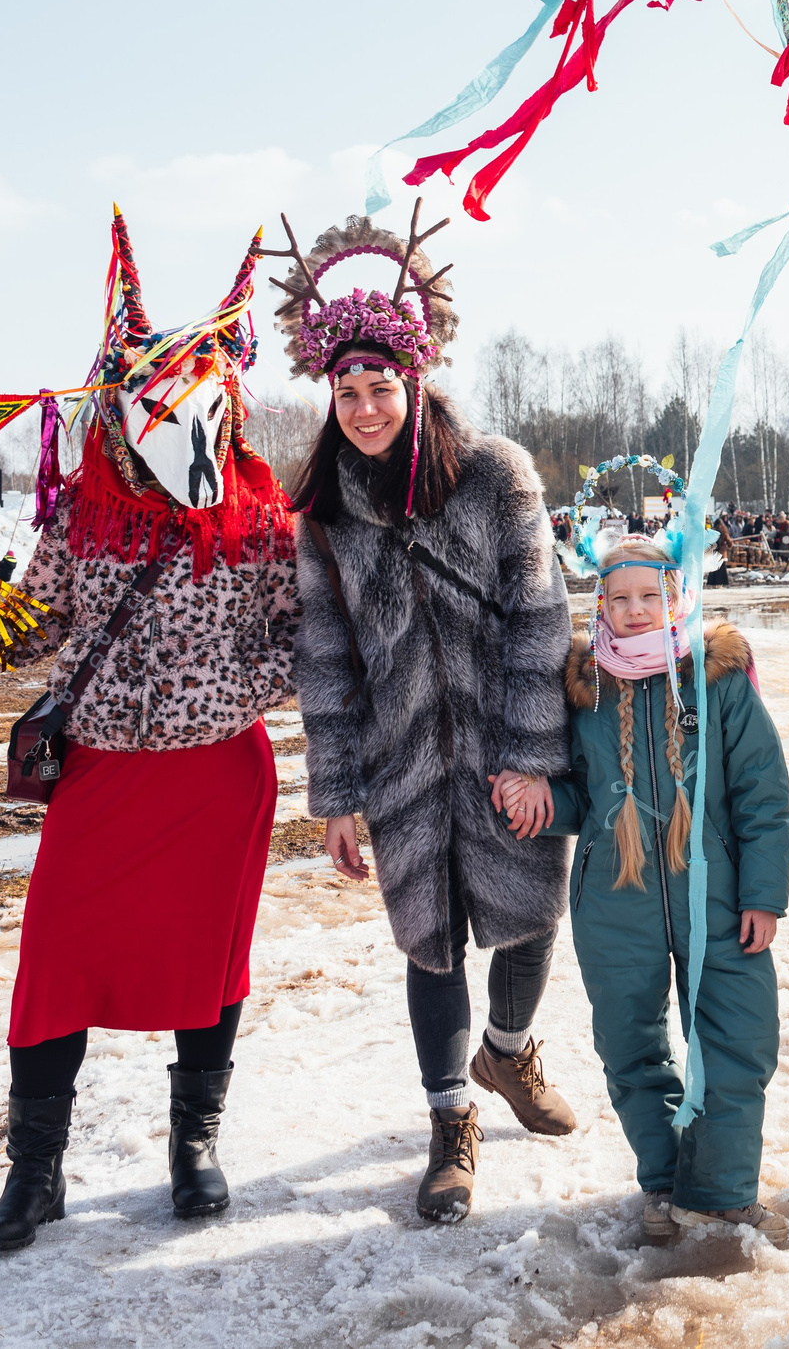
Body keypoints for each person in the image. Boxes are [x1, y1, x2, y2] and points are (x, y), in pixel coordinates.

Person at [0, 212, 300, 1253]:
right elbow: (26, 625)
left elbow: (300, 637)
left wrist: (231, 692)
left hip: (216, 775)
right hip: (99, 774)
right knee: (56, 960)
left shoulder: (259, 519)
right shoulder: (82, 517)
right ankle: (34, 1171)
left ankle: (194, 1147)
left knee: (206, 959)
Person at [280, 213, 579, 1225]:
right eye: (346, 391)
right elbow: (324, 658)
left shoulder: (495, 472)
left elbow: (542, 616)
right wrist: (337, 795)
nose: (365, 407)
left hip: (508, 743)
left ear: (413, 379)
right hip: (402, 758)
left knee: (535, 912)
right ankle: (450, 1118)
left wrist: (534, 755)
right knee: (429, 938)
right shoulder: (322, 510)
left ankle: (506, 1049)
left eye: (380, 387)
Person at [498, 535, 789, 1246]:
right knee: (631, 1042)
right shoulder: (582, 685)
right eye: (619, 598)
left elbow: (762, 791)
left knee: (738, 1035)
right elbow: (582, 796)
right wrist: (539, 796)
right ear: (600, 602)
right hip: (614, 893)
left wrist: (763, 895)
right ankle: (664, 1183)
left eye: (650, 597)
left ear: (676, 596)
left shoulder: (717, 676)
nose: (634, 612)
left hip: (716, 894)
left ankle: (719, 1192)